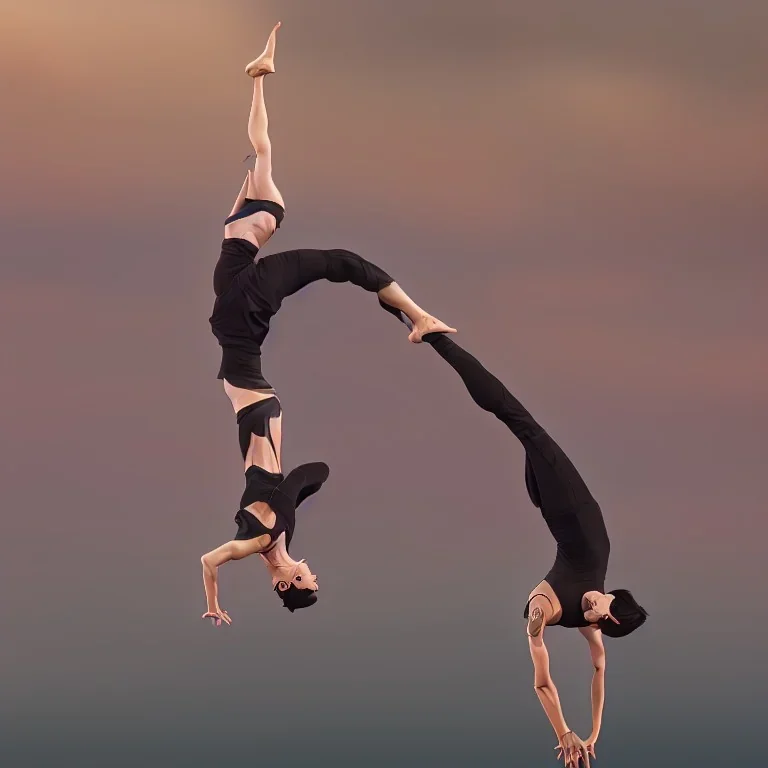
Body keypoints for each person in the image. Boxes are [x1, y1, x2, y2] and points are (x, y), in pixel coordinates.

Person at [201, 23, 456, 628]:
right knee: (262, 162)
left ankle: (417, 317)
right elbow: (311, 472)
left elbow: (212, 557)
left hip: (243, 342)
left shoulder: (259, 542)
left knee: (339, 262)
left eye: (307, 581)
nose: (312, 571)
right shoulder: (279, 534)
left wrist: (214, 602)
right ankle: (258, 78)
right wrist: (304, 490)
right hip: (237, 319)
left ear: (287, 584)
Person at [386, 315, 647, 768]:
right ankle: (432, 336)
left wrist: (572, 733)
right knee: (517, 417)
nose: (597, 616)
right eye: (605, 611)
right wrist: (594, 731)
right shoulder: (594, 608)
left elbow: (545, 682)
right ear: (610, 602)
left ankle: (421, 329)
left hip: (548, 503)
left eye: (603, 624)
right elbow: (600, 669)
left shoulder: (543, 610)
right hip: (574, 500)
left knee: (519, 425)